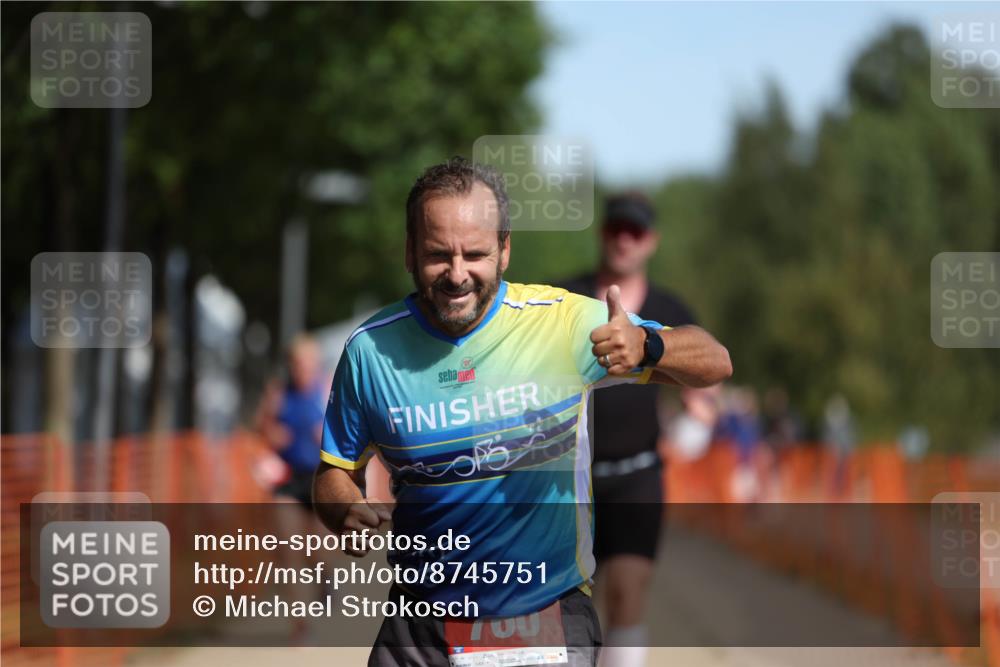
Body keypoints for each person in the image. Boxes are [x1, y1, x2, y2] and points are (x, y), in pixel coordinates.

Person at [313, 157, 732, 667]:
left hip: (541, 616)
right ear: (409, 250)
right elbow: (334, 473)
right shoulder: (370, 352)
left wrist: (647, 345)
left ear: (505, 250)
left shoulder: (560, 323)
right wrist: (343, 510)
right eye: (438, 255)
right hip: (417, 627)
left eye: (476, 254)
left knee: (629, 593)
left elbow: (714, 361)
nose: (457, 274)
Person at [558, 193, 702, 667]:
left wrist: (702, 414)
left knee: (627, 592)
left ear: (651, 241)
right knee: (568, 610)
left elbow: (704, 376)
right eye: (616, 228)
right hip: (569, 480)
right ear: (603, 233)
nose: (624, 239)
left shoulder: (669, 306)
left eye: (635, 232)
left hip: (637, 476)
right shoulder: (566, 298)